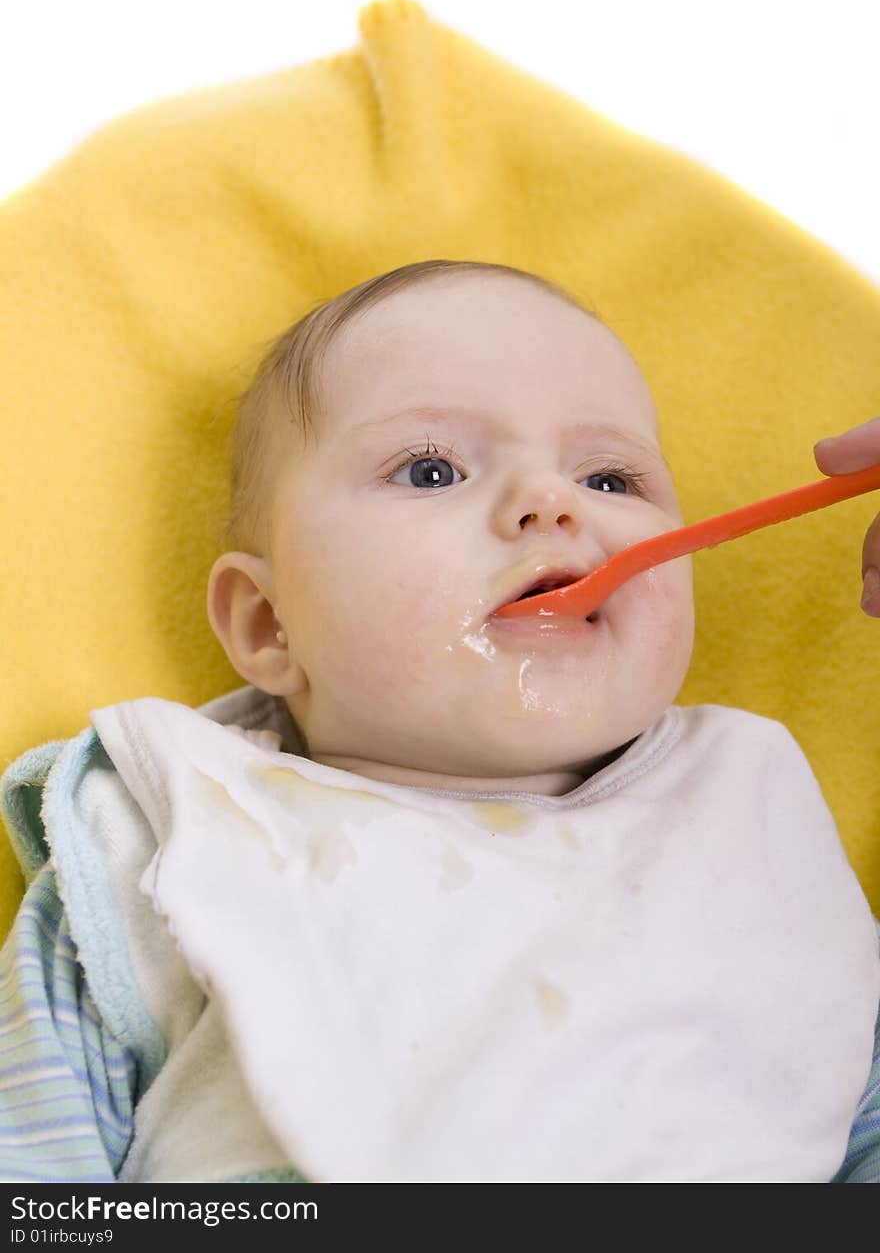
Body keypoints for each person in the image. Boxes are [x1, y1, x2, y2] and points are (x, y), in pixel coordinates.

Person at [1, 259, 878, 1183]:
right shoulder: (177, 830)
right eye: (431, 470)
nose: (555, 503)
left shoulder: (745, 820)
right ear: (269, 623)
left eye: (612, 478)